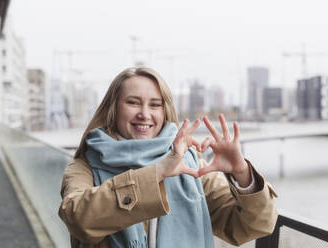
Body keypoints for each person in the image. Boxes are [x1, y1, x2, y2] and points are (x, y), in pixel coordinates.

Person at [58, 67, 278, 248]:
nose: (145, 113)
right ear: (113, 109)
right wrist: (158, 172)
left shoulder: (191, 166)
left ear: (165, 112)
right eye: (133, 102)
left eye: (155, 105)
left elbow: (252, 226)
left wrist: (241, 173)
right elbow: (78, 218)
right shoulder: (83, 167)